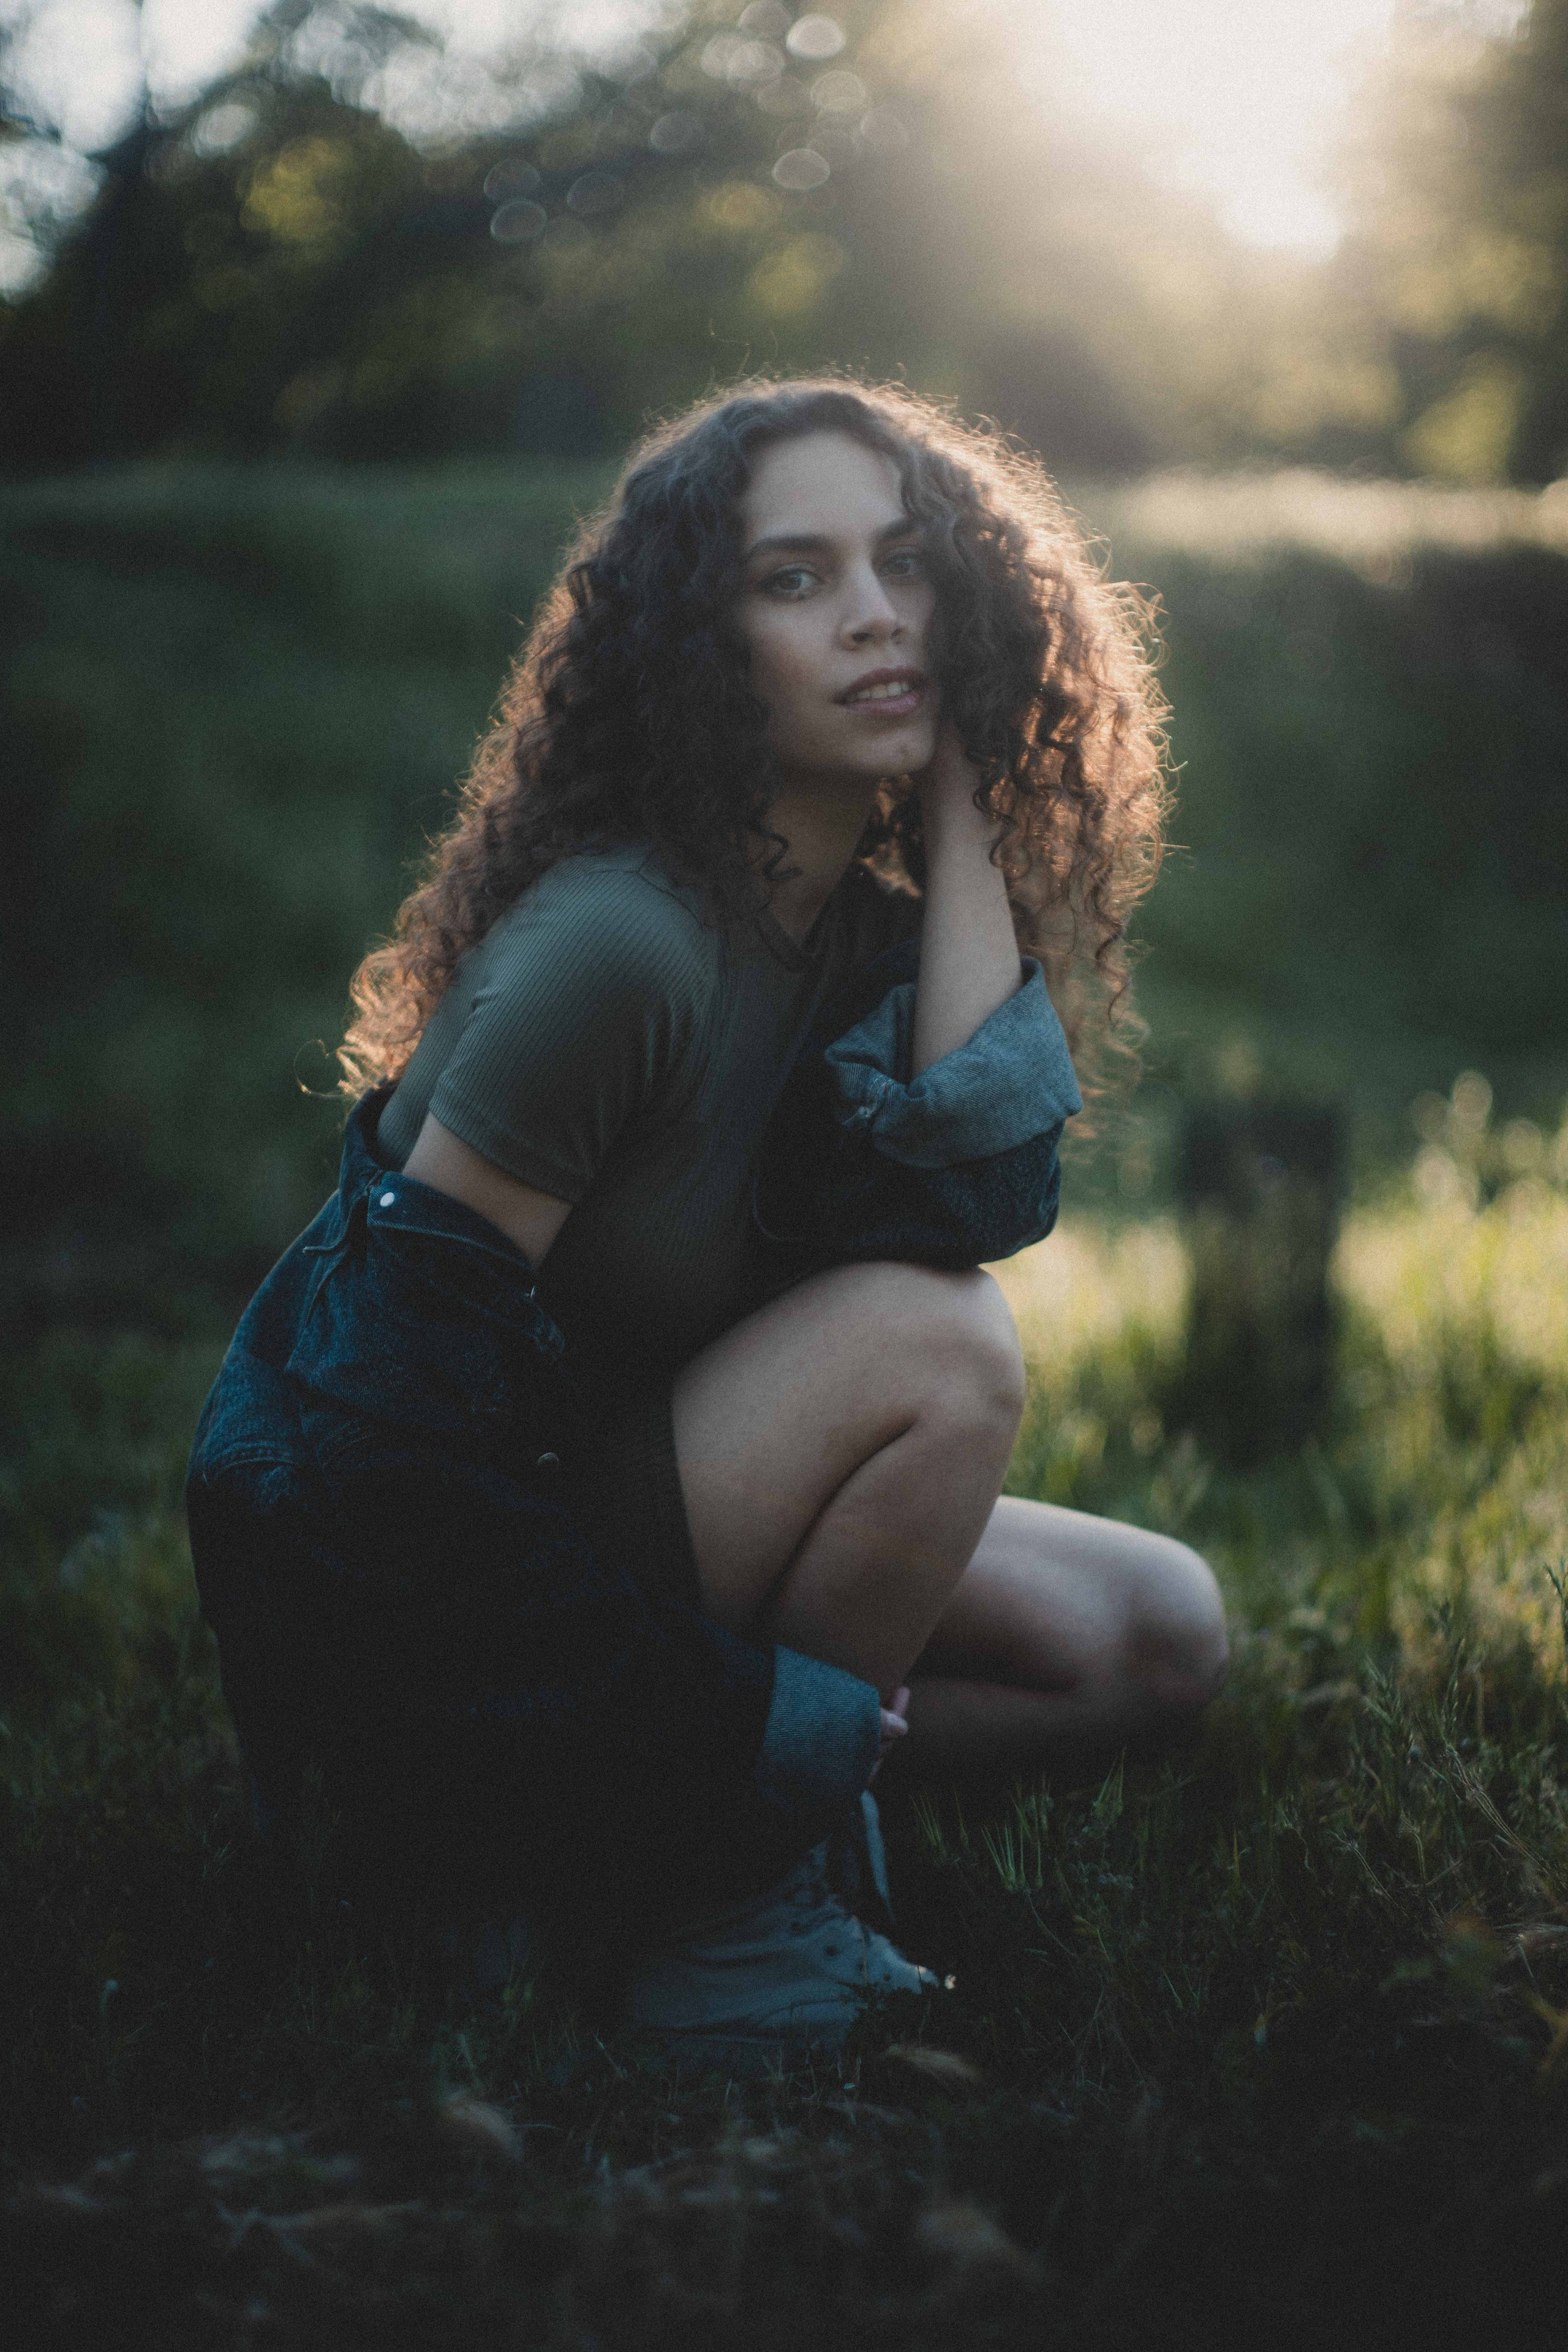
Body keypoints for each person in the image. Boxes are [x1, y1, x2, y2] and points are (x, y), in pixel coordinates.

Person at [187, 378, 1226, 2064]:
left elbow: (976, 1195)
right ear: (697, 636)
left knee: (1153, 1636)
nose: (877, 612)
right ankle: (716, 1917)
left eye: (907, 566)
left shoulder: (858, 931)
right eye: (797, 578)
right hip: (430, 1599)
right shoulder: (620, 948)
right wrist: (743, 1723)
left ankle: (697, 1836)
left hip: (636, 1507)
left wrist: (966, 794)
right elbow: (372, 1458)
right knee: (934, 1345)